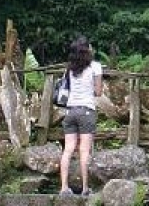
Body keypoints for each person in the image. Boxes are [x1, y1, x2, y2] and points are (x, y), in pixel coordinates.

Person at [59, 35, 103, 196]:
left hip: (70, 110)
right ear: (87, 49)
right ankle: (85, 188)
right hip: (86, 110)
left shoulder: (70, 68)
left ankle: (64, 188)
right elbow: (98, 92)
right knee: (84, 150)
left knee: (68, 149)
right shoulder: (95, 66)